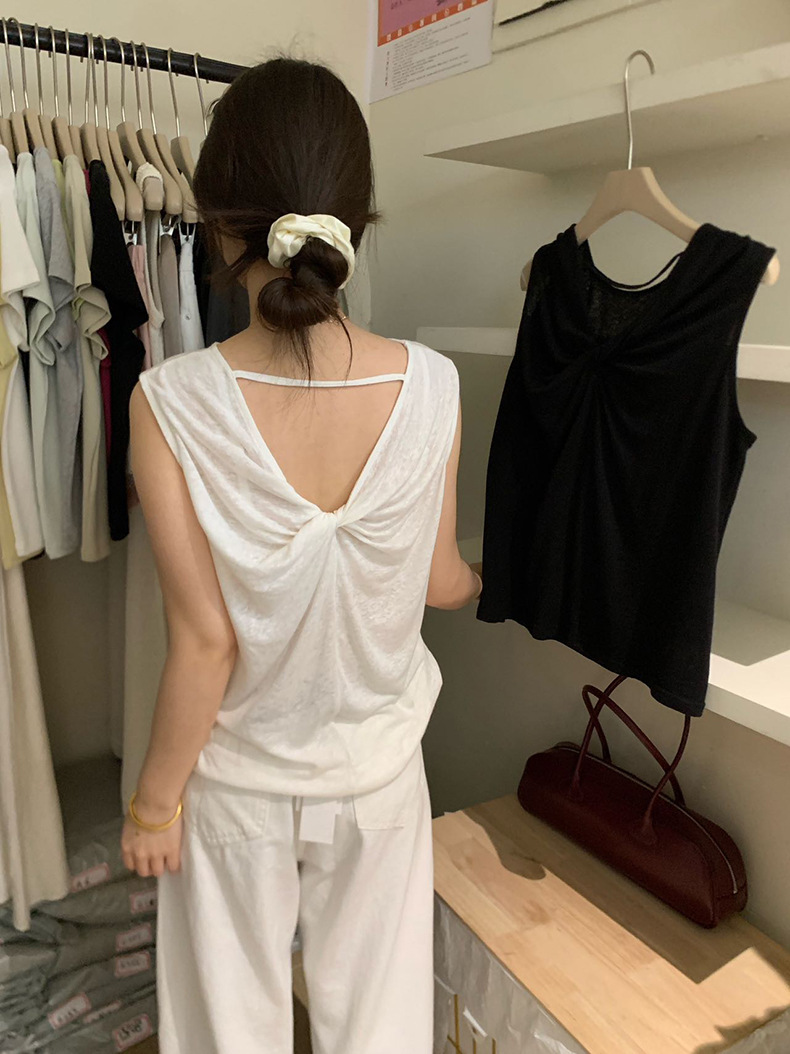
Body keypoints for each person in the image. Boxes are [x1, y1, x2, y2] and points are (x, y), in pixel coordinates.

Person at [121, 57, 481, 1054]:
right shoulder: (434, 386)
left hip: (237, 788)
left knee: (225, 1033)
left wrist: (153, 804)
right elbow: (440, 581)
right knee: (382, 1031)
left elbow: (206, 643)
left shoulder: (169, 403)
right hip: (377, 783)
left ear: (218, 225)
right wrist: (485, 579)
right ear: (356, 219)